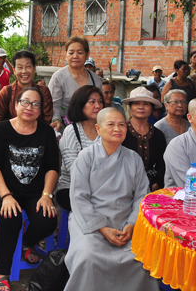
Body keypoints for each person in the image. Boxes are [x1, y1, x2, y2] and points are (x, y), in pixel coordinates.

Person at [64, 108, 159, 291]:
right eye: (111, 124)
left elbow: (142, 196)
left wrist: (132, 224)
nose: (117, 129)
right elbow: (78, 198)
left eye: (122, 124)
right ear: (98, 129)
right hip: (90, 223)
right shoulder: (85, 157)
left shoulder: (134, 158)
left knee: (143, 255)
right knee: (88, 256)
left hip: (125, 221)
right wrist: (102, 228)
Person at [0, 88, 59, 291]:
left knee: (47, 220)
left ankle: (26, 242)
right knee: (11, 218)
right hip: (4, 190)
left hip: (35, 192)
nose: (29, 107)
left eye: (35, 104)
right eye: (25, 102)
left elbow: (53, 167)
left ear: (40, 110)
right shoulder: (1, 130)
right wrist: (6, 195)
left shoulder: (46, 132)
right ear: (16, 105)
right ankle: (2, 272)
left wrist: (47, 195)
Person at [56, 85, 103, 212]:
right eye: (92, 102)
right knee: (97, 207)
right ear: (80, 104)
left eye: (100, 102)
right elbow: (74, 170)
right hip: (71, 188)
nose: (98, 106)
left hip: (102, 188)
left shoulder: (105, 130)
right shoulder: (71, 131)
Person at [48, 36, 103, 133]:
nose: (75, 56)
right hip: (65, 130)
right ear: (66, 55)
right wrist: (56, 120)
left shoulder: (95, 79)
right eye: (71, 53)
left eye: (80, 53)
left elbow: (101, 105)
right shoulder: (58, 77)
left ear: (87, 55)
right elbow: (54, 105)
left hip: (92, 130)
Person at [120, 87, 166, 191]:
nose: (141, 107)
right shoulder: (121, 131)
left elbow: (162, 164)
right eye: (136, 103)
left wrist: (156, 184)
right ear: (130, 107)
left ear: (152, 108)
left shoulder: (158, 134)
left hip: (151, 185)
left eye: (146, 104)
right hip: (123, 183)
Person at [0, 50, 53, 124]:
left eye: (28, 67)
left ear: (34, 68)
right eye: (20, 67)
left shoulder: (43, 92)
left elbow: (47, 120)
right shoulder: (6, 92)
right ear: (14, 70)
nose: (24, 71)